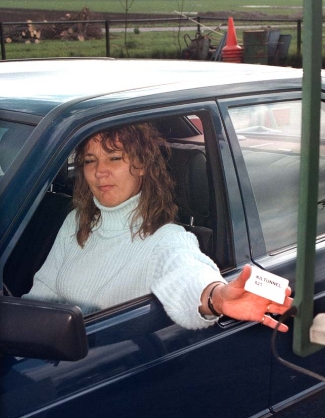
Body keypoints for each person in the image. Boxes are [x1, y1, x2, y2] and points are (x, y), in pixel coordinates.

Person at [24, 123, 292, 330]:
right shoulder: (77, 221)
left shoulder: (166, 239)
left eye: (114, 158)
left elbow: (188, 273)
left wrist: (216, 297)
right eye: (90, 160)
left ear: (141, 166)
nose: (99, 171)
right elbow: (43, 291)